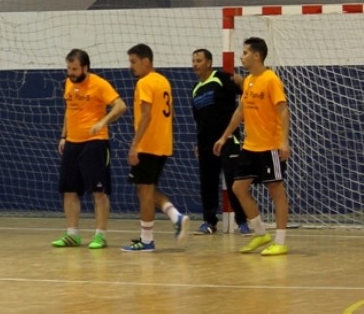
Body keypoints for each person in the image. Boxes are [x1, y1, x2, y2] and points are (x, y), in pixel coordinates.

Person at [213, 37, 291, 256]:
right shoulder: (248, 81)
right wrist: (223, 137)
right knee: (238, 188)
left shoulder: (270, 79)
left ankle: (281, 241)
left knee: (277, 192)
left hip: (269, 147)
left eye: (245, 52)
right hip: (250, 146)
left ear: (257, 56)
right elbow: (241, 112)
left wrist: (284, 141)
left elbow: (283, 110)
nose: (242, 56)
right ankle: (260, 234)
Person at [52, 49, 127, 250]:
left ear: (85, 67)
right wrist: (63, 136)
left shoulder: (99, 84)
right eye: (68, 68)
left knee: (98, 191)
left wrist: (103, 122)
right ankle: (72, 234)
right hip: (72, 143)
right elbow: (69, 110)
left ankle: (100, 235)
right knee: (69, 190)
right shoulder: (68, 83)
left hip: (95, 143)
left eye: (75, 69)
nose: (71, 72)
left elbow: (120, 106)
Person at [122, 43, 191, 252]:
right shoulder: (163, 81)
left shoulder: (145, 83)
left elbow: (146, 115)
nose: (131, 67)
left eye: (134, 62)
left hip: (148, 144)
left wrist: (134, 145)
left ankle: (148, 240)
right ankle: (174, 216)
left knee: (144, 192)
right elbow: (170, 113)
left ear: (146, 61)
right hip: (163, 143)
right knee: (146, 190)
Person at [190, 49, 250, 235]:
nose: (195, 64)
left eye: (199, 60)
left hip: (227, 140)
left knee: (234, 181)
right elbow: (199, 121)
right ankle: (209, 222)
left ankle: (242, 221)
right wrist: (199, 144)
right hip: (206, 145)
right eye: (193, 61)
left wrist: (243, 81)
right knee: (207, 183)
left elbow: (245, 90)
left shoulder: (221, 78)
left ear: (208, 62)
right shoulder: (196, 90)